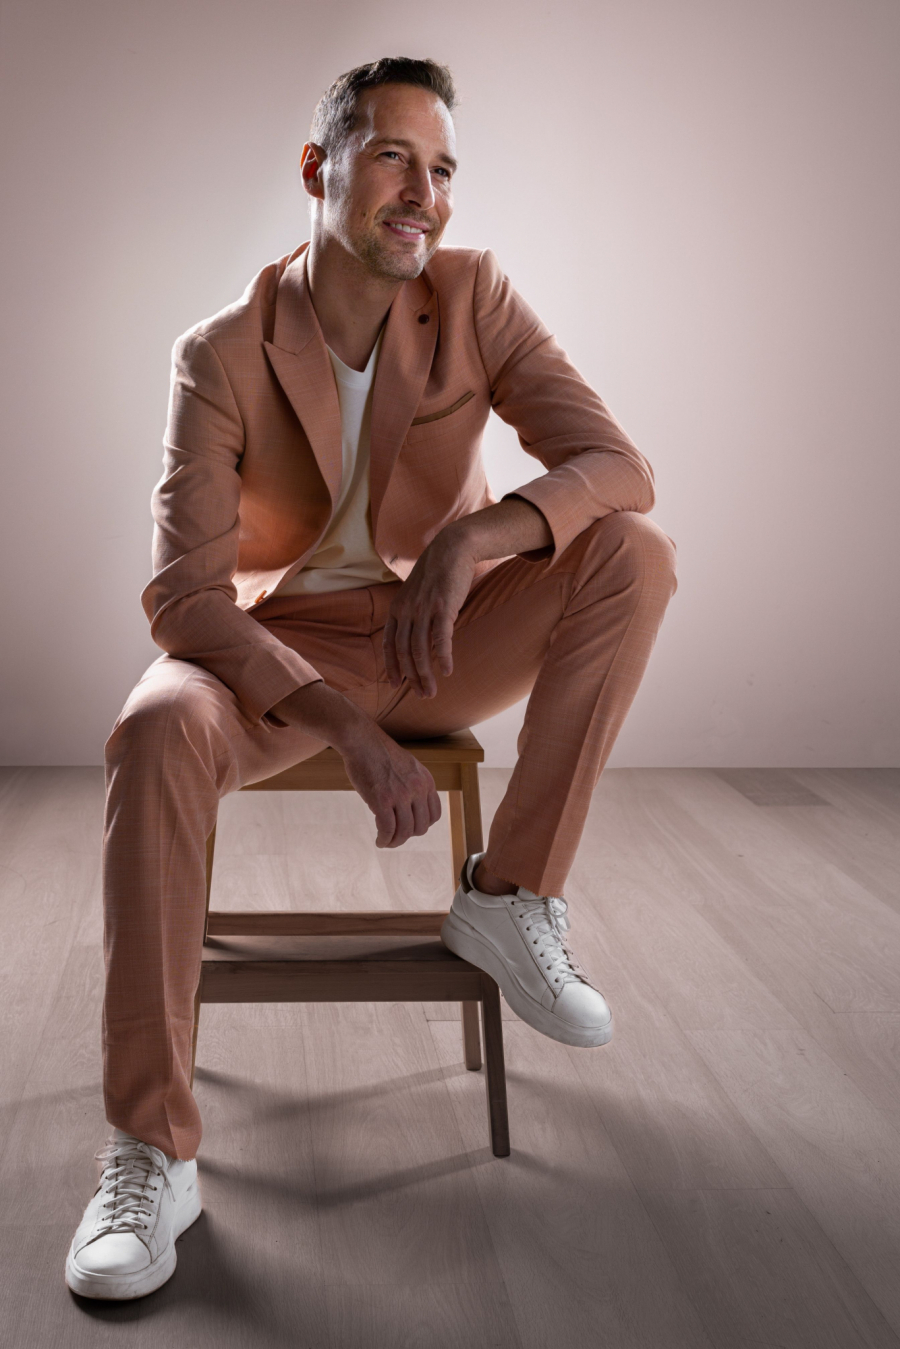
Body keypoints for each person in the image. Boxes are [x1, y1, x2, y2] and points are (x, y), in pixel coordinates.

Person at [66, 56, 677, 1300]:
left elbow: (618, 466)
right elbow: (183, 598)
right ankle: (152, 1149)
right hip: (285, 658)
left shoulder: (474, 295)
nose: (425, 194)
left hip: (442, 636)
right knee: (156, 727)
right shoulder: (221, 352)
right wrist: (342, 723)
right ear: (319, 167)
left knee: (634, 553)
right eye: (396, 157)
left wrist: (475, 538)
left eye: (443, 169)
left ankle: (512, 895)